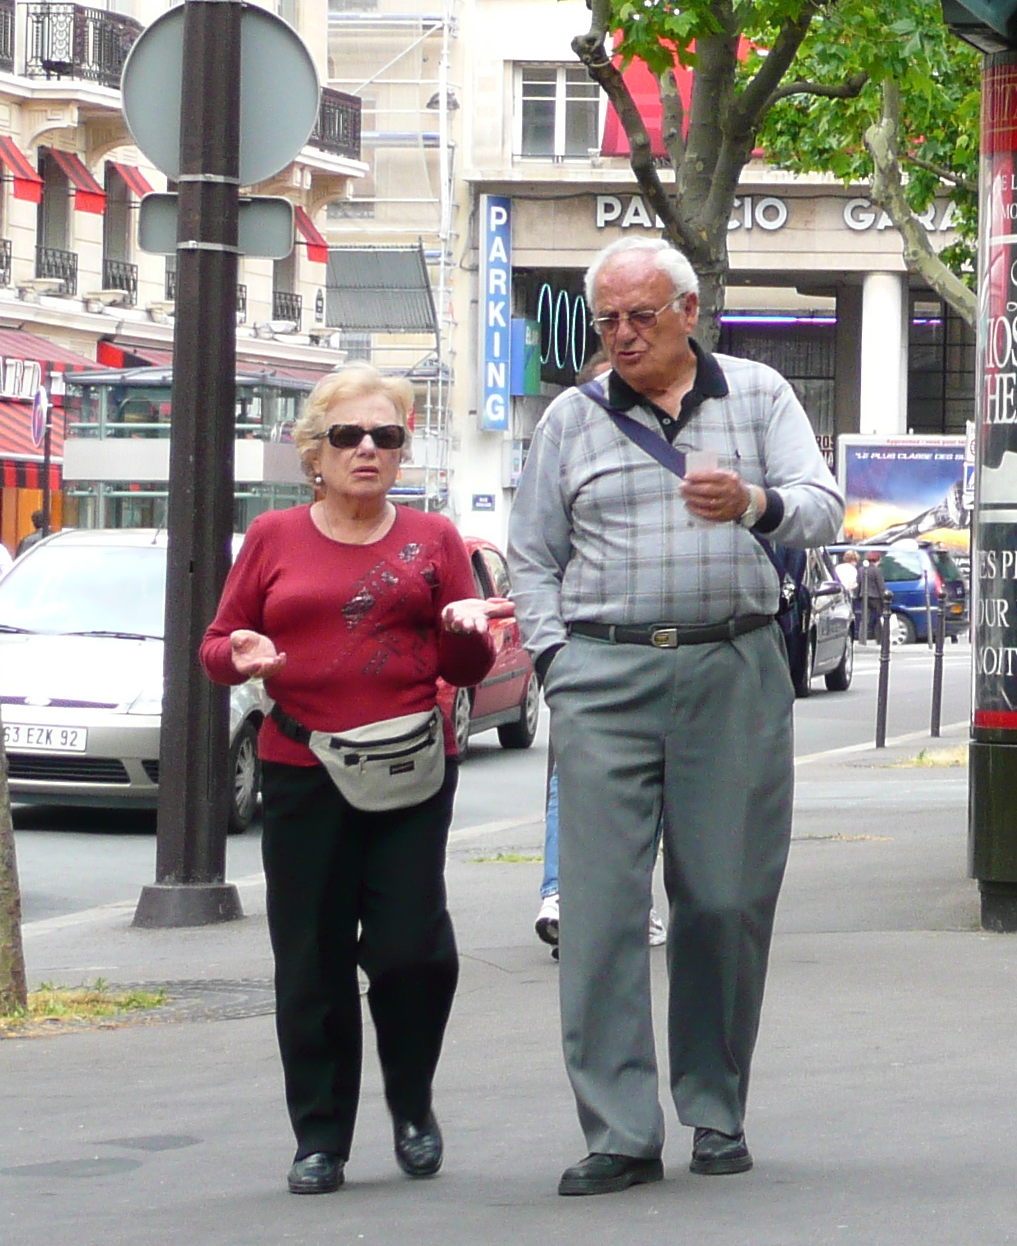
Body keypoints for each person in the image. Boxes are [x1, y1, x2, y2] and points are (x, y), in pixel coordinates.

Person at [506, 236, 842, 1197]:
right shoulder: (570, 419)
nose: (622, 334)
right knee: (602, 913)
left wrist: (756, 501)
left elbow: (822, 506)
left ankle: (716, 1106)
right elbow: (531, 553)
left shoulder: (759, 395)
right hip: (603, 674)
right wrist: (557, 661)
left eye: (640, 315)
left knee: (725, 900)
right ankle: (619, 1128)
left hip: (732, 664)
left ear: (690, 312)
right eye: (607, 318)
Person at [202, 367, 509, 1195]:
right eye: (348, 436)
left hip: (409, 767)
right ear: (315, 451)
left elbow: (467, 663)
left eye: (387, 436)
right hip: (302, 770)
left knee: (413, 952)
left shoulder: (434, 539)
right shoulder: (272, 537)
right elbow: (218, 644)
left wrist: (465, 633)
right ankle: (321, 1138)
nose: (368, 450)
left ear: (405, 450)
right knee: (312, 959)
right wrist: (240, 655)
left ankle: (412, 1104)